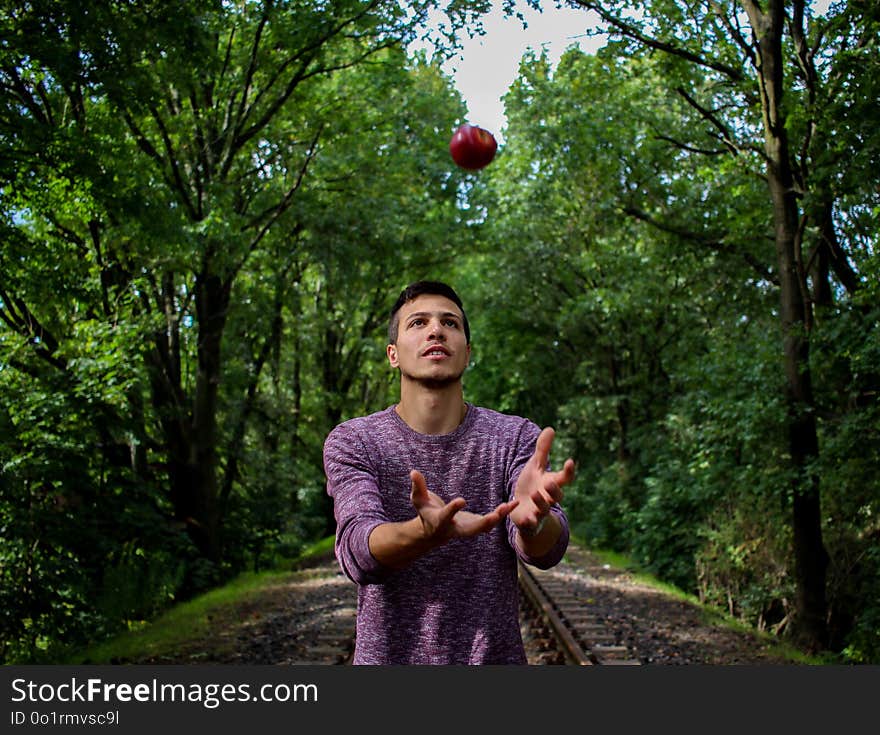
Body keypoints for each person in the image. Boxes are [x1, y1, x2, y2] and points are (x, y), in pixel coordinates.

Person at [322, 280, 576, 664]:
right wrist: (423, 533)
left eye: (450, 323)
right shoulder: (356, 441)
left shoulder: (514, 437)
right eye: (418, 323)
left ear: (468, 352)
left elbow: (546, 551)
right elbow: (358, 549)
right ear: (393, 354)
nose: (436, 330)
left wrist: (532, 524)